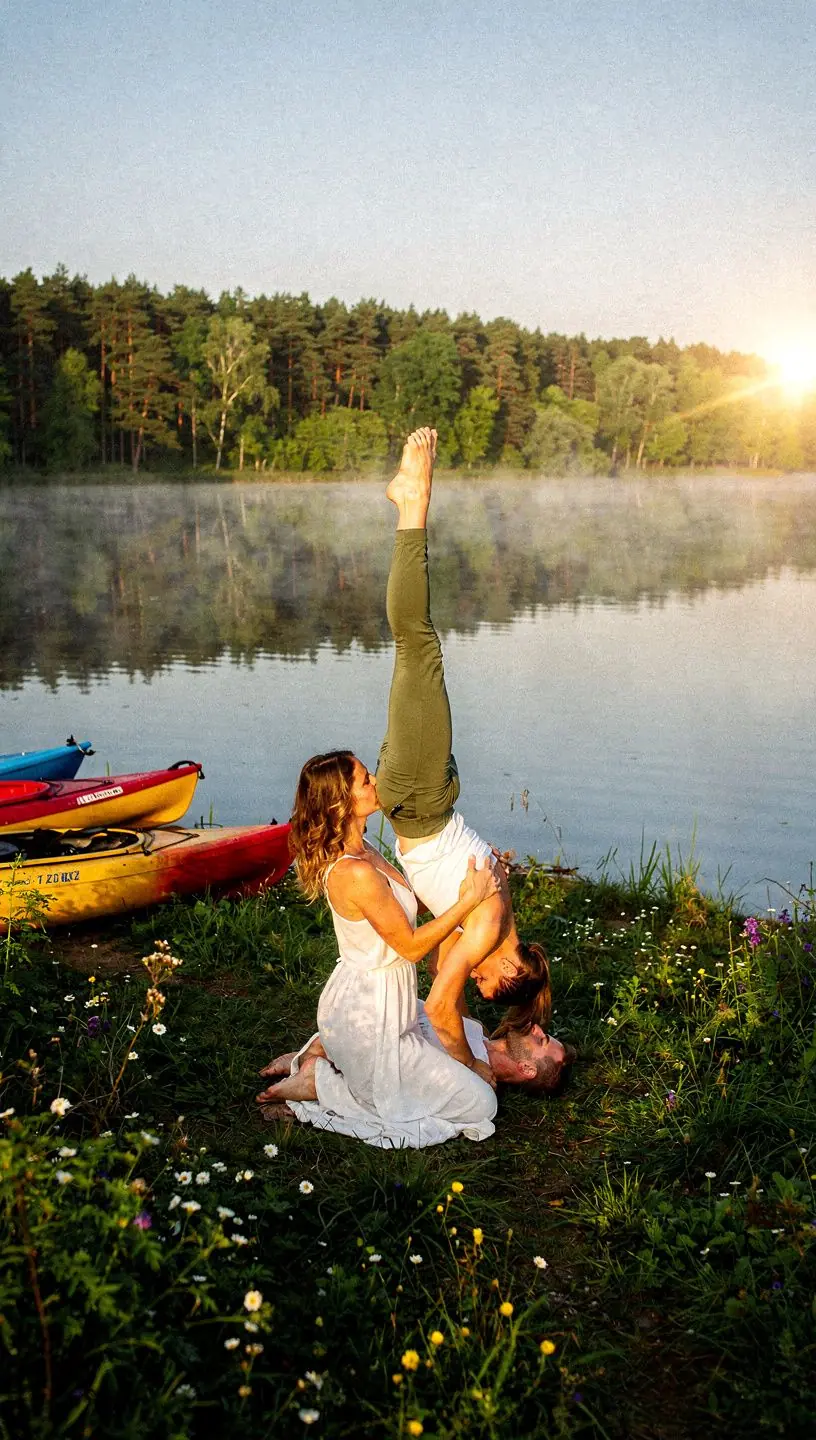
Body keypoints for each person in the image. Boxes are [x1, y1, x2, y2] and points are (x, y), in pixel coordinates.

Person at [374, 427, 566, 1077]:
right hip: (422, 800)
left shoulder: (496, 913)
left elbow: (437, 999)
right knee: (414, 643)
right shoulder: (487, 928)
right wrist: (473, 1068)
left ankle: (413, 504)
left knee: (417, 642)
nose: (478, 987)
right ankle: (410, 502)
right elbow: (447, 995)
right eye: (489, 985)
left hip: (422, 798)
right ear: (507, 965)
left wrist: (471, 1071)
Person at [255, 747, 501, 1148]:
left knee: (469, 1033)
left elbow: (406, 908)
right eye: (366, 780)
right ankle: (320, 1083)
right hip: (371, 1019)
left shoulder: (366, 850)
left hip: (389, 1006)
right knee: (481, 1105)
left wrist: (464, 883)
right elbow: (411, 947)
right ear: (342, 801)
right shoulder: (354, 872)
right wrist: (469, 902)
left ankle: (320, 1052)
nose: (376, 783)